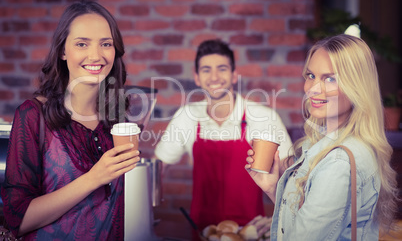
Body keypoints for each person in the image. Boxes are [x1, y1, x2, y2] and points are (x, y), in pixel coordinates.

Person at [0, 0, 140, 240]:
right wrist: (94, 178)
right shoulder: (33, 116)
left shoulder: (117, 120)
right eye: (82, 44)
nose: (95, 55)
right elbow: (18, 220)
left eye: (105, 44)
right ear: (63, 51)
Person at [246, 34, 400, 240]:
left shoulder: (339, 162)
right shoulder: (324, 142)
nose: (313, 89)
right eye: (311, 76)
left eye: (330, 79)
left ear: (357, 87)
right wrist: (274, 188)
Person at [154, 39, 293, 238]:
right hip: (202, 232)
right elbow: (159, 168)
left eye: (222, 68)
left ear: (234, 75)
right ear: (197, 77)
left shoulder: (263, 117)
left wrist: (280, 217)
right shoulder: (186, 116)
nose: (214, 77)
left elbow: (290, 176)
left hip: (249, 233)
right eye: (206, 70)